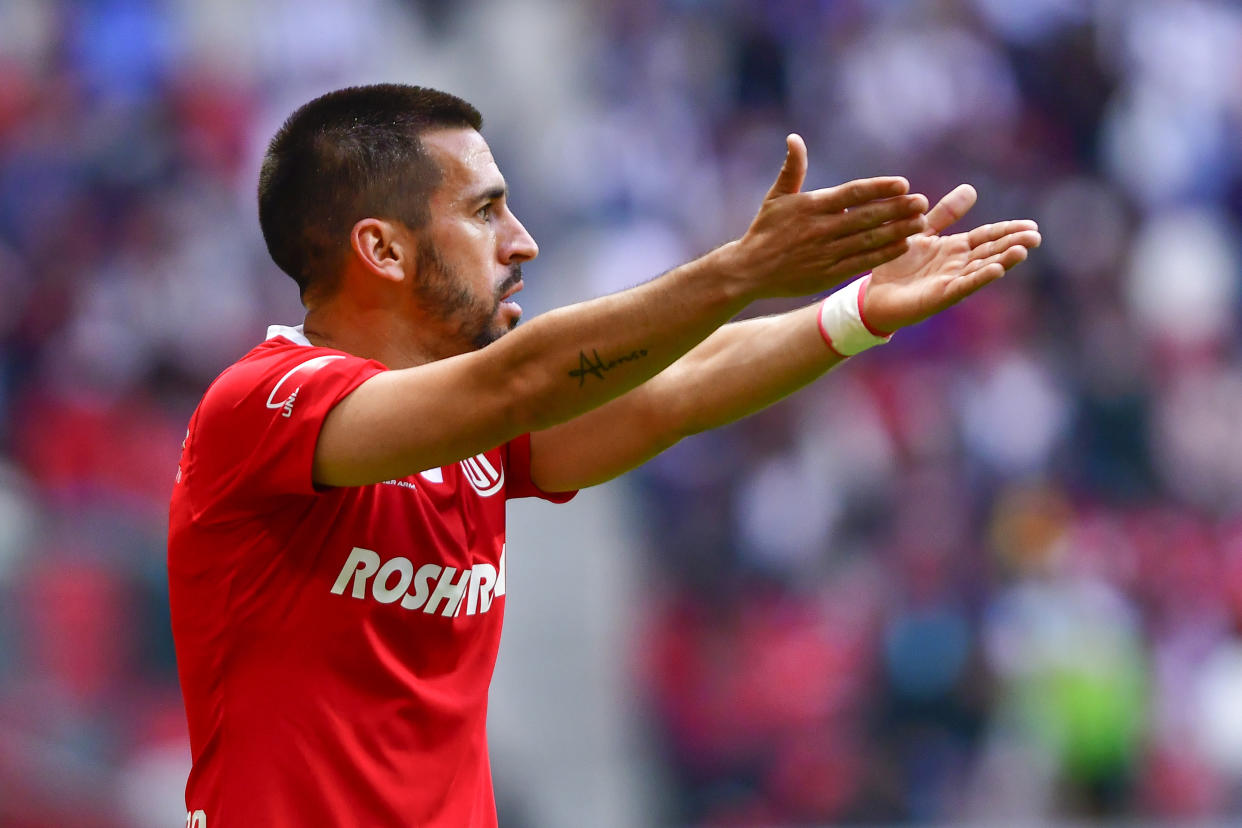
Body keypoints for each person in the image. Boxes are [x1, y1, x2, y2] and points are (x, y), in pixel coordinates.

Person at [167, 83, 1039, 826]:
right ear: (381, 249)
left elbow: (671, 394)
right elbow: (524, 381)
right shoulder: (260, 408)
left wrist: (856, 312)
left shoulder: (476, 441)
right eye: (484, 211)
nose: (522, 241)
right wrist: (736, 272)